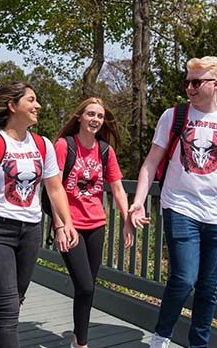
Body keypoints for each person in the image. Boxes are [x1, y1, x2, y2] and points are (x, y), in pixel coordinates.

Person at [128, 56, 217, 348]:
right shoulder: (173, 116)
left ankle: (198, 344)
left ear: (215, 84)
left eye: (196, 82)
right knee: (184, 278)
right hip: (179, 206)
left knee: (208, 286)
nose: (189, 87)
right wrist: (139, 201)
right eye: (187, 81)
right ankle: (162, 336)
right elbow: (150, 163)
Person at [0, 82, 79, 348]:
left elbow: (55, 187)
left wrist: (66, 223)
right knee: (7, 307)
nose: (38, 106)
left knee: (16, 300)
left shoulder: (43, 145)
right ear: (13, 106)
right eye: (31, 100)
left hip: (30, 231)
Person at [52, 97, 135, 348]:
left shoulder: (104, 151)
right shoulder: (64, 146)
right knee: (85, 286)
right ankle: (83, 343)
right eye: (90, 114)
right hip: (71, 226)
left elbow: (118, 189)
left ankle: (79, 340)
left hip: (97, 225)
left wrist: (127, 219)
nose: (95, 120)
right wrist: (59, 226)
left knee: (87, 288)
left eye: (99, 116)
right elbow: (52, 188)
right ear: (79, 117)